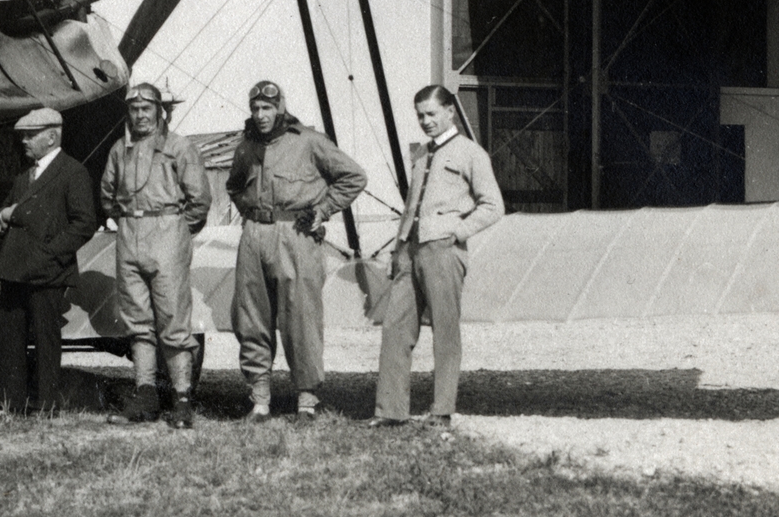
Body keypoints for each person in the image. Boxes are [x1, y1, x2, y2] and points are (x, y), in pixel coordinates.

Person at [226, 80, 366, 421]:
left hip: (297, 235)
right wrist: (252, 213)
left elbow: (353, 177)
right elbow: (233, 186)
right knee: (252, 317)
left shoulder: (309, 142)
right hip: (255, 234)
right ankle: (260, 400)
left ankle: (306, 401)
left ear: (280, 109)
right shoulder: (246, 146)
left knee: (300, 317)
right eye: (256, 108)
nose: (260, 115)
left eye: (267, 109)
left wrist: (321, 211)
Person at [371, 85, 504, 428]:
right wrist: (397, 249)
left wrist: (456, 231)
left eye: (431, 114)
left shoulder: (471, 153)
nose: (425, 121)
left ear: (450, 112)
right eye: (420, 115)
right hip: (410, 253)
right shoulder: (419, 156)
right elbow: (410, 207)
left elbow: (493, 206)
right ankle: (391, 412)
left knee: (445, 332)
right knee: (395, 330)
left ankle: (441, 411)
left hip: (444, 253)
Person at [101, 83, 212, 429]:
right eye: (134, 110)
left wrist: (177, 232)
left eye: (147, 109)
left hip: (167, 233)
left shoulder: (179, 147)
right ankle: (145, 396)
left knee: (173, 321)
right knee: (138, 323)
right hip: (129, 235)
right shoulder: (121, 149)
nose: (140, 115)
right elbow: (107, 194)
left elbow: (199, 200)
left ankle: (181, 400)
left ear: (159, 111)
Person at [0, 107, 97, 417]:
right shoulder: (25, 176)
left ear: (51, 137)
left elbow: (83, 223)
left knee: (46, 340)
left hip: (47, 272)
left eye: (30, 135)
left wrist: (50, 254)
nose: (24, 140)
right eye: (23, 135)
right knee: (10, 339)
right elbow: (11, 211)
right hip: (14, 270)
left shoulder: (73, 172)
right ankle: (11, 404)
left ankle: (46, 405)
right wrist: (2, 214)